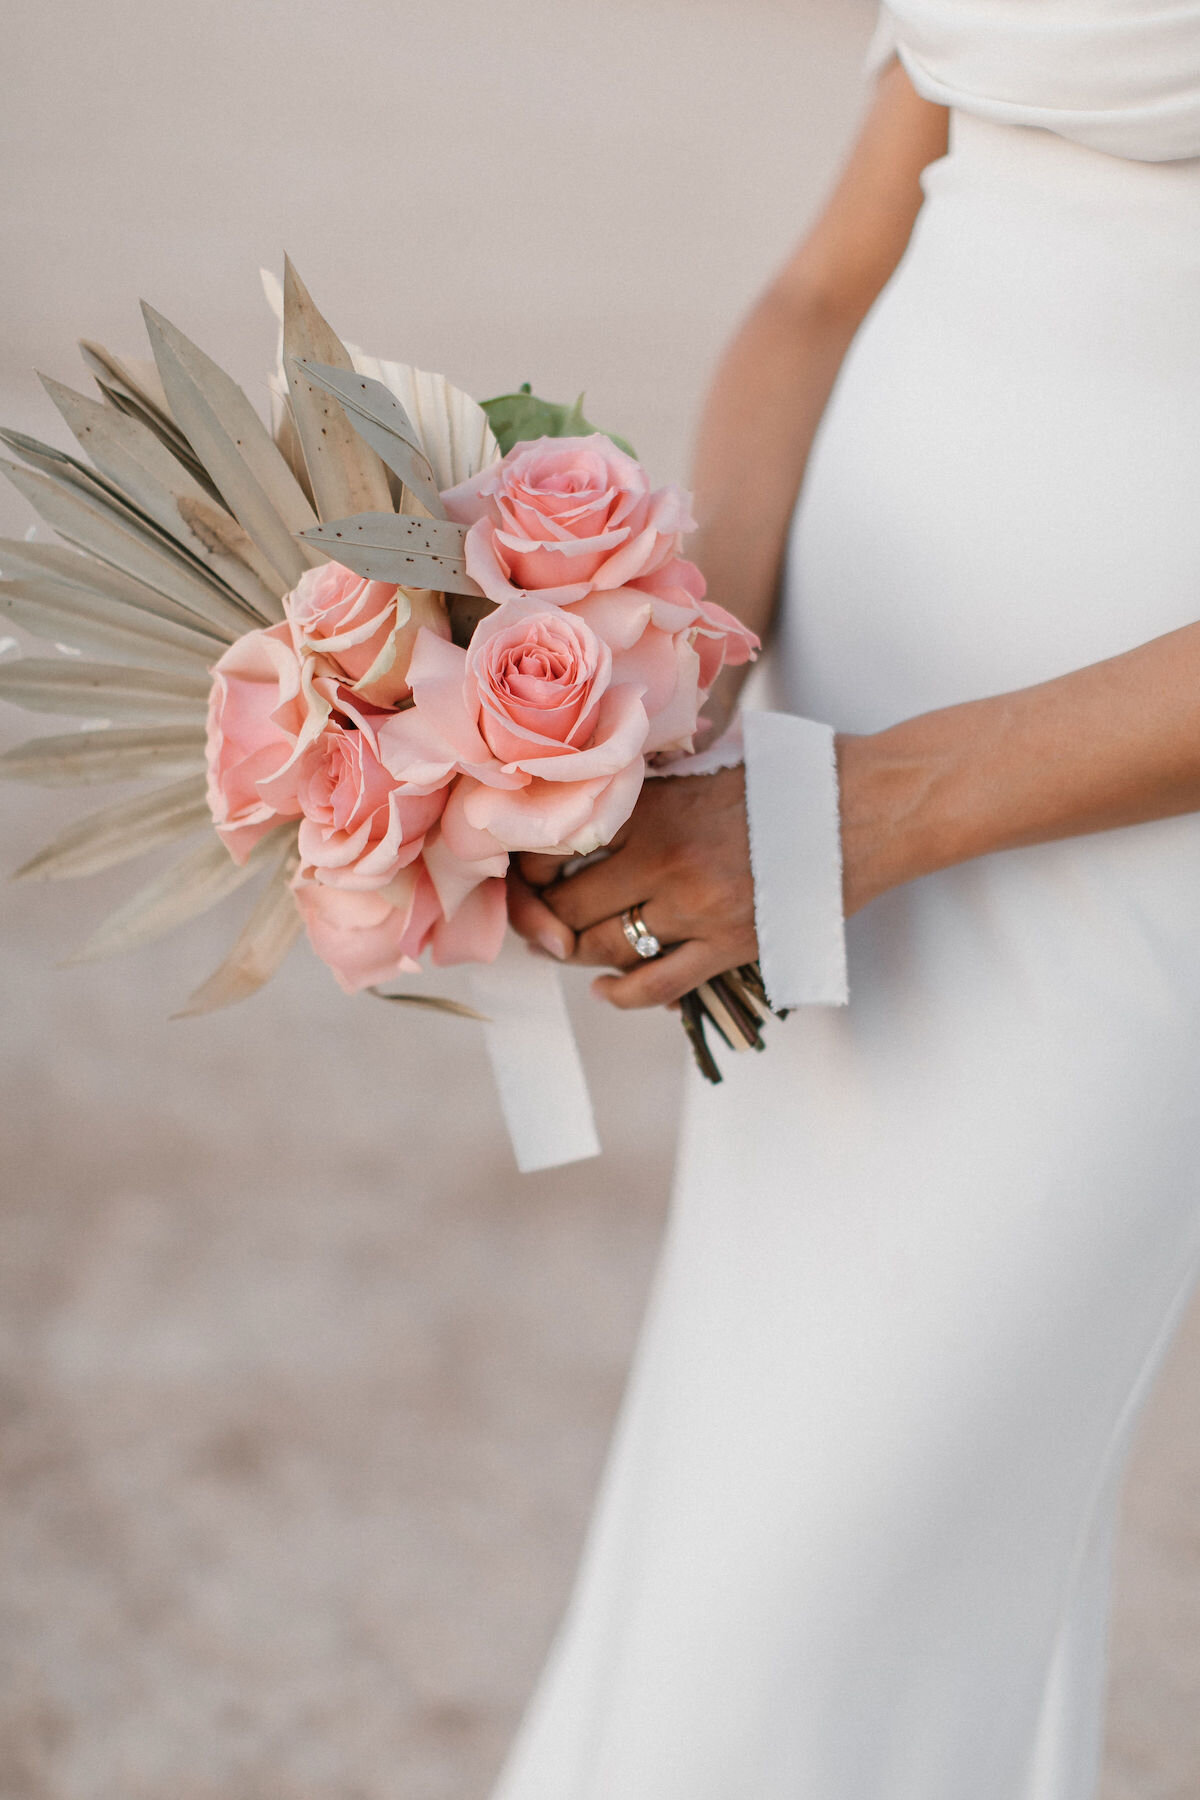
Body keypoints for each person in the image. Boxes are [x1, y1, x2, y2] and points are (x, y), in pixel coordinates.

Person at [500, 5, 1200, 1796]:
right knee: (743, 1456)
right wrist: (662, 669)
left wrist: (852, 819)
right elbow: (828, 276)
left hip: (1109, 811)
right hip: (842, 686)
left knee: (852, 1545)